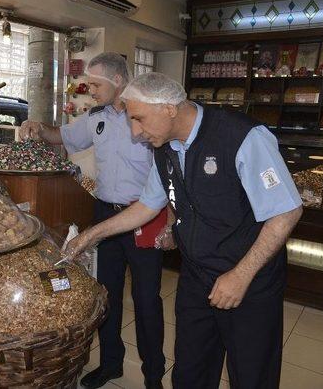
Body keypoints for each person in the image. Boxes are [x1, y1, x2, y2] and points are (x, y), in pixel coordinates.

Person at [63, 72, 303, 389]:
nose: (135, 132)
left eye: (138, 119)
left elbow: (287, 211)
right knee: (190, 372)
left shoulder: (241, 136)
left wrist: (241, 275)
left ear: (169, 108)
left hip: (249, 279)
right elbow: (147, 206)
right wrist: (90, 236)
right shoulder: (164, 147)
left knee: (251, 375)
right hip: (197, 276)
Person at [20, 53, 166, 389]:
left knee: (146, 301)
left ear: (117, 81)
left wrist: (171, 220)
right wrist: (39, 127)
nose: (89, 90)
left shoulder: (147, 116)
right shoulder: (96, 116)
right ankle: (111, 363)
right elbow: (63, 137)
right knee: (105, 294)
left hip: (144, 216)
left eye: (96, 84)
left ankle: (154, 377)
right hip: (104, 214)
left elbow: (169, 172)